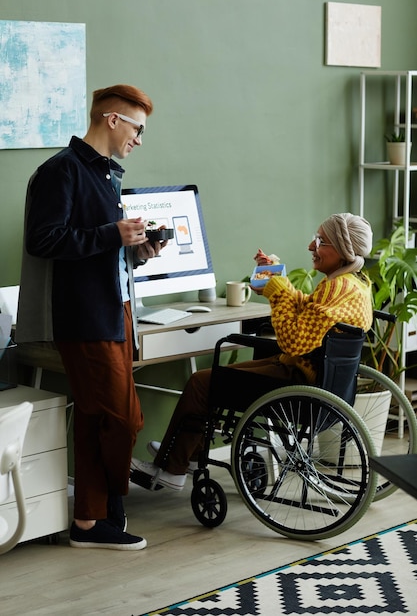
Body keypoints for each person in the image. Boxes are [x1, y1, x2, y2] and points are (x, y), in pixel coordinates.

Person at [16, 84, 167, 550]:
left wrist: (138, 250)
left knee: (95, 416)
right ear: (112, 119)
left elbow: (100, 248)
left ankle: (90, 518)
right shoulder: (60, 172)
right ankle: (106, 507)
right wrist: (110, 234)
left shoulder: (106, 175)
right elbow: (44, 241)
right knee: (122, 419)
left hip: (115, 308)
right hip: (83, 317)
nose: (139, 139)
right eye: (137, 128)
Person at [131, 212, 374, 491]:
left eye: (320, 240)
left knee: (201, 383)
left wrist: (277, 292)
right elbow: (309, 314)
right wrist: (275, 278)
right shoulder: (353, 283)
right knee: (213, 379)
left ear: (343, 249)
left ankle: (173, 468)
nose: (311, 246)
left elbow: (293, 341)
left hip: (297, 381)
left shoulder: (336, 287)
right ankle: (189, 456)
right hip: (312, 376)